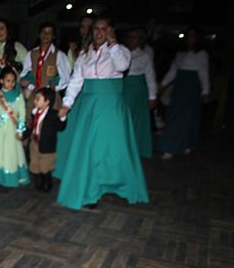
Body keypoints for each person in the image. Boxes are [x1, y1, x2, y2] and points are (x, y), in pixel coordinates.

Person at [56, 16, 148, 210]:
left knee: (113, 148)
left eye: (104, 29)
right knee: (90, 148)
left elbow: (122, 66)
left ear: (110, 30)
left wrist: (113, 44)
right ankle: (91, 189)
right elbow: (76, 81)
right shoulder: (85, 54)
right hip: (90, 105)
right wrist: (67, 104)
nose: (99, 33)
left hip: (111, 106)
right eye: (96, 29)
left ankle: (119, 183)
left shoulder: (120, 51)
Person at [157, 27, 209, 160]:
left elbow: (204, 73)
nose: (190, 38)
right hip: (180, 86)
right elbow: (173, 71)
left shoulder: (201, 54)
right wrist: (162, 85)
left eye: (193, 35)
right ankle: (173, 144)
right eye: (188, 35)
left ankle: (178, 145)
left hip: (192, 87)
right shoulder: (180, 53)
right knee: (174, 114)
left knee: (188, 116)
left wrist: (205, 91)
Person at [20, 22, 71, 119]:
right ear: (39, 34)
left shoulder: (59, 55)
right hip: (35, 95)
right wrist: (29, 85)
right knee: (31, 120)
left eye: (49, 33)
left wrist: (56, 85)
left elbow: (66, 77)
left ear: (53, 36)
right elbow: (24, 73)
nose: (46, 35)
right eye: (43, 32)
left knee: (49, 122)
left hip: (51, 97)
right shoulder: (31, 54)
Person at [24, 88, 67, 192]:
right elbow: (32, 127)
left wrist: (62, 118)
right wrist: (24, 134)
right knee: (34, 163)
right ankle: (38, 181)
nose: (35, 101)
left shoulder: (53, 114)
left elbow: (60, 127)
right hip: (34, 142)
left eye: (38, 99)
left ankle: (47, 182)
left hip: (47, 145)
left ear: (47, 102)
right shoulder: (35, 113)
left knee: (45, 165)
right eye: (35, 98)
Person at [124, 28, 157, 158]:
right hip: (123, 88)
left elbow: (150, 76)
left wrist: (152, 96)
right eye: (129, 37)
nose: (131, 40)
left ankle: (135, 149)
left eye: (135, 37)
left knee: (136, 121)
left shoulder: (144, 56)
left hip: (137, 91)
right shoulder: (122, 52)